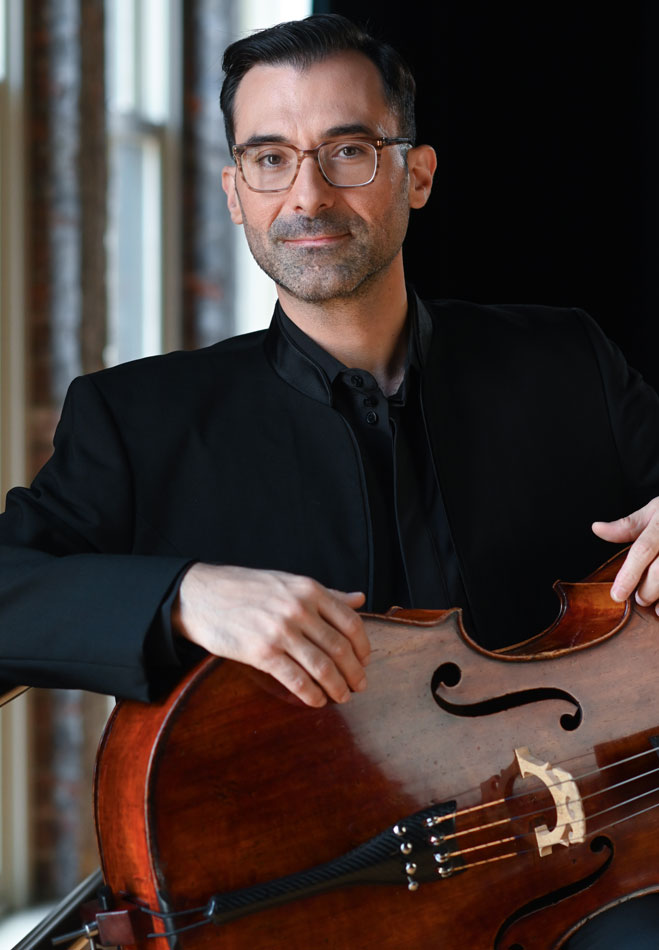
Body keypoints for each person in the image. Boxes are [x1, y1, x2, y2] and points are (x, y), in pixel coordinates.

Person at [1, 13, 659, 948]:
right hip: (309, 912)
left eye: (347, 152)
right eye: (269, 159)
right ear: (235, 192)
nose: (305, 195)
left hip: (579, 879)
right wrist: (181, 595)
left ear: (415, 175)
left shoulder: (565, 363)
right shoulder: (138, 420)